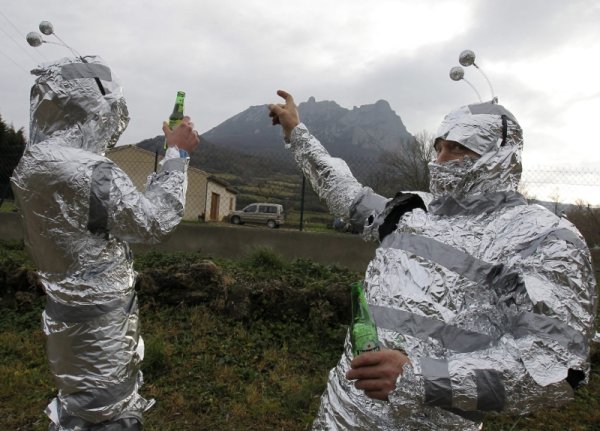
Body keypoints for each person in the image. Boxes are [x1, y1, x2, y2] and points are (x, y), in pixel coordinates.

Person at [268, 90, 597, 430]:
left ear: (498, 155)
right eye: (439, 147)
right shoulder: (412, 211)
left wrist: (421, 379)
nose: (439, 160)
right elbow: (348, 195)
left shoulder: (543, 239)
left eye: (457, 148)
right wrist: (297, 132)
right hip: (340, 414)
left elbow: (557, 367)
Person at [11, 55, 199, 430]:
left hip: (63, 312)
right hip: (100, 321)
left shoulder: (31, 165)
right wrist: (177, 154)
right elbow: (154, 222)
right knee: (109, 412)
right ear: (94, 105)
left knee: (79, 405)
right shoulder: (90, 170)